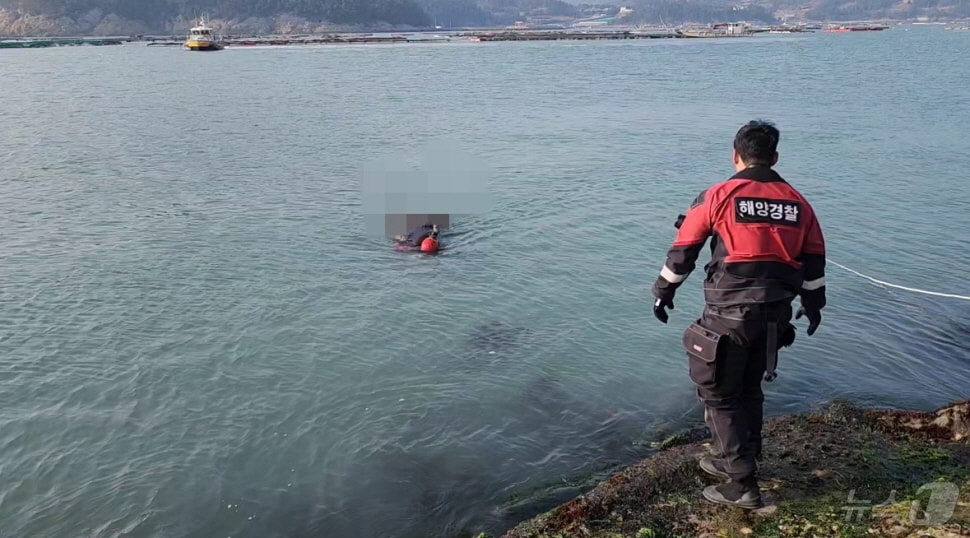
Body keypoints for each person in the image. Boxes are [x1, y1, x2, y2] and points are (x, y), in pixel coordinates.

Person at [650, 120, 826, 509]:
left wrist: (663, 293)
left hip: (729, 313)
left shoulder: (718, 196)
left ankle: (742, 484)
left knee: (718, 393)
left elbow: (683, 252)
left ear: (735, 156)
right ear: (775, 157)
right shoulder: (799, 203)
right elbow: (815, 265)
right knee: (748, 387)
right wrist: (813, 309)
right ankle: (743, 456)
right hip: (775, 317)